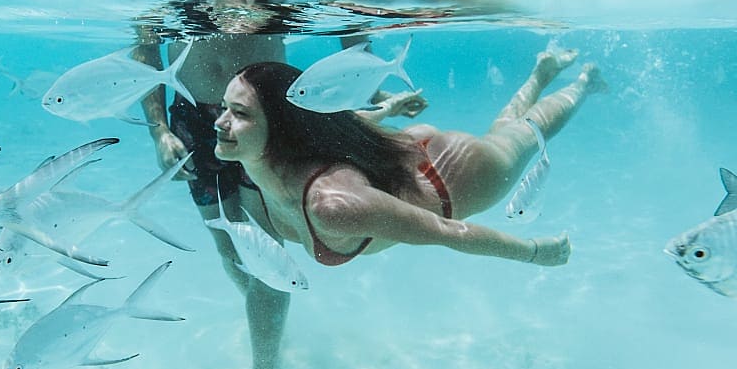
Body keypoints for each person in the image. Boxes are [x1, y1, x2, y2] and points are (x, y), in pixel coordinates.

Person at [132, 0, 426, 369]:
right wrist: (159, 131)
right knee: (228, 246)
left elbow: (347, 17)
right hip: (195, 119)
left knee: (267, 253)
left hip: (268, 120)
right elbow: (145, 46)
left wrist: (371, 91)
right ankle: (267, 325)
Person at [213, 46, 603, 273]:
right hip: (408, 152)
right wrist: (388, 109)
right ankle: (542, 71)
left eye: (240, 113)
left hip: (455, 176)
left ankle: (584, 83)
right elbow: (330, 127)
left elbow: (447, 232)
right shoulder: (267, 163)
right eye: (225, 107)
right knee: (506, 133)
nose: (219, 122)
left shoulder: (331, 206)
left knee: (525, 134)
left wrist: (534, 252)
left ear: (280, 128)